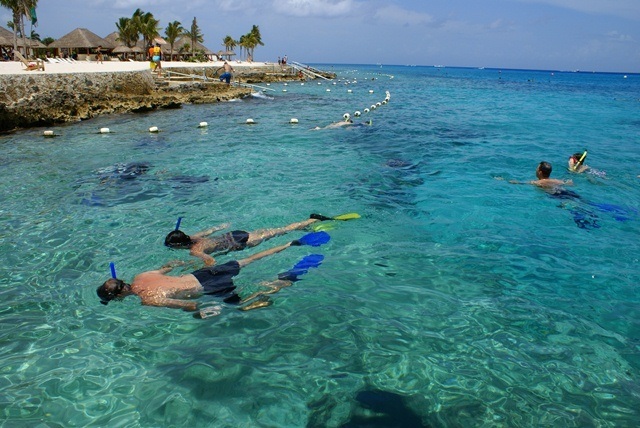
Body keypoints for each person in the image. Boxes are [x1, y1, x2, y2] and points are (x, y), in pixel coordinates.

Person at [97, 236, 324, 314]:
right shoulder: (142, 275)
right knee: (251, 259)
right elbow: (172, 263)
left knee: (242, 304)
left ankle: (291, 276)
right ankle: (289, 244)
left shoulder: (148, 300)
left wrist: (202, 313)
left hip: (211, 287)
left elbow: (189, 306)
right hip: (203, 272)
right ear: (123, 282)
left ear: (119, 297)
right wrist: (190, 264)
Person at [164, 213, 339, 266]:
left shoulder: (195, 250)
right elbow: (211, 230)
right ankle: (307, 223)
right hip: (235, 234)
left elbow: (210, 260)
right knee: (280, 230)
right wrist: (222, 225)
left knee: (283, 231)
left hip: (241, 242)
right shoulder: (195, 237)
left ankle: (313, 220)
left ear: (179, 245)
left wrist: (193, 266)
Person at [506, 161, 573, 189]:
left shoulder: (537, 182)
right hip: (567, 193)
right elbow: (569, 183)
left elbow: (520, 183)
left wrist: (507, 180)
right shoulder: (557, 181)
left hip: (557, 196)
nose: (535, 170)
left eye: (537, 169)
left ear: (540, 172)